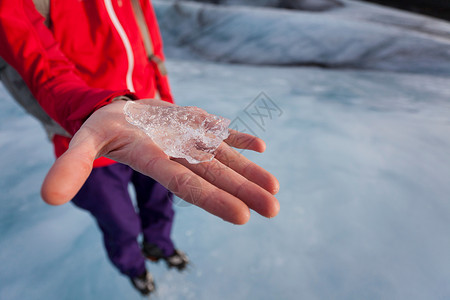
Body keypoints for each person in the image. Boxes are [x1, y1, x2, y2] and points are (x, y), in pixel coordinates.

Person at [0, 0, 280, 296]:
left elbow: (150, 53)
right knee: (120, 222)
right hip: (88, 136)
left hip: (153, 127)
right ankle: (135, 267)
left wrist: (168, 110)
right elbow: (44, 68)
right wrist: (95, 108)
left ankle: (160, 246)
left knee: (161, 200)